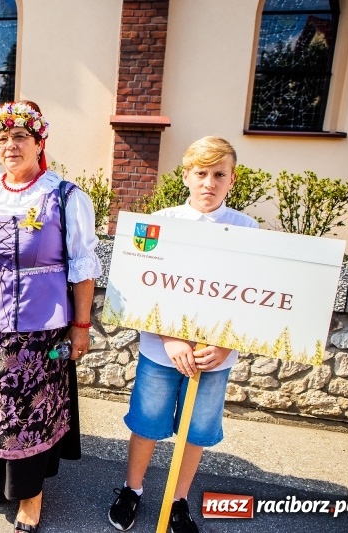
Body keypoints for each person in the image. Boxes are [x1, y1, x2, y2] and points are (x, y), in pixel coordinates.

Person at [0, 101, 102, 533]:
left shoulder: (64, 195)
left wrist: (81, 325)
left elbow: (83, 265)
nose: (11, 145)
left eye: (20, 137)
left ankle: (31, 494)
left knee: (30, 408)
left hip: (40, 323)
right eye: (2, 139)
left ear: (39, 143)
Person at [106, 136, 259, 533]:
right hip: (161, 353)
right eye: (201, 173)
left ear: (232, 179)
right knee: (147, 422)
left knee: (195, 431)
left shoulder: (247, 228)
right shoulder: (161, 223)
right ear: (187, 176)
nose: (209, 182)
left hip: (213, 357)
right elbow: (141, 289)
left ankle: (178, 500)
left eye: (219, 175)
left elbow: (251, 297)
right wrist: (170, 338)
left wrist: (226, 344)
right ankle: (132, 489)